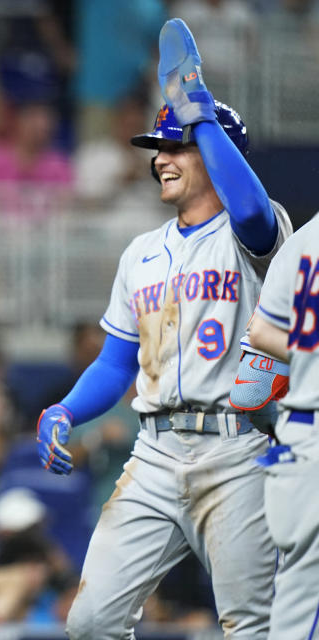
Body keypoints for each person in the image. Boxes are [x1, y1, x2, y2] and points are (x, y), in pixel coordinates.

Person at [35, 19, 292, 639]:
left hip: (237, 448)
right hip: (152, 452)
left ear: (214, 151)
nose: (160, 159)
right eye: (161, 147)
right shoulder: (140, 253)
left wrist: (199, 114)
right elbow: (115, 363)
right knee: (91, 622)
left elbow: (252, 211)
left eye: (176, 146)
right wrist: (65, 409)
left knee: (251, 627)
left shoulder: (253, 231)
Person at [228, 210, 319, 640]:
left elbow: (249, 389)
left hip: (298, 442)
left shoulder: (303, 240)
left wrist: (307, 358)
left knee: (297, 614)